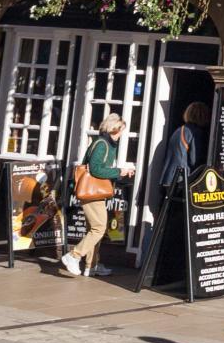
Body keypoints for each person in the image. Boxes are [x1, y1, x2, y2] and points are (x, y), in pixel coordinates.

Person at [139, 101, 207, 281]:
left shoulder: (178, 131)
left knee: (162, 223)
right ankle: (166, 269)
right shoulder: (195, 133)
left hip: (167, 181)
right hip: (180, 184)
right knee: (176, 228)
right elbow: (195, 160)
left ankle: (150, 264)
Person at [64, 113, 133, 278]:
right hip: (91, 193)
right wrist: (119, 171)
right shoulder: (102, 144)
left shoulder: (108, 144)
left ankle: (92, 265)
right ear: (113, 128)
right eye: (120, 130)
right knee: (99, 228)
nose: (121, 134)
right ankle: (73, 256)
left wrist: (121, 172)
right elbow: (95, 169)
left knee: (93, 230)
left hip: (95, 193)